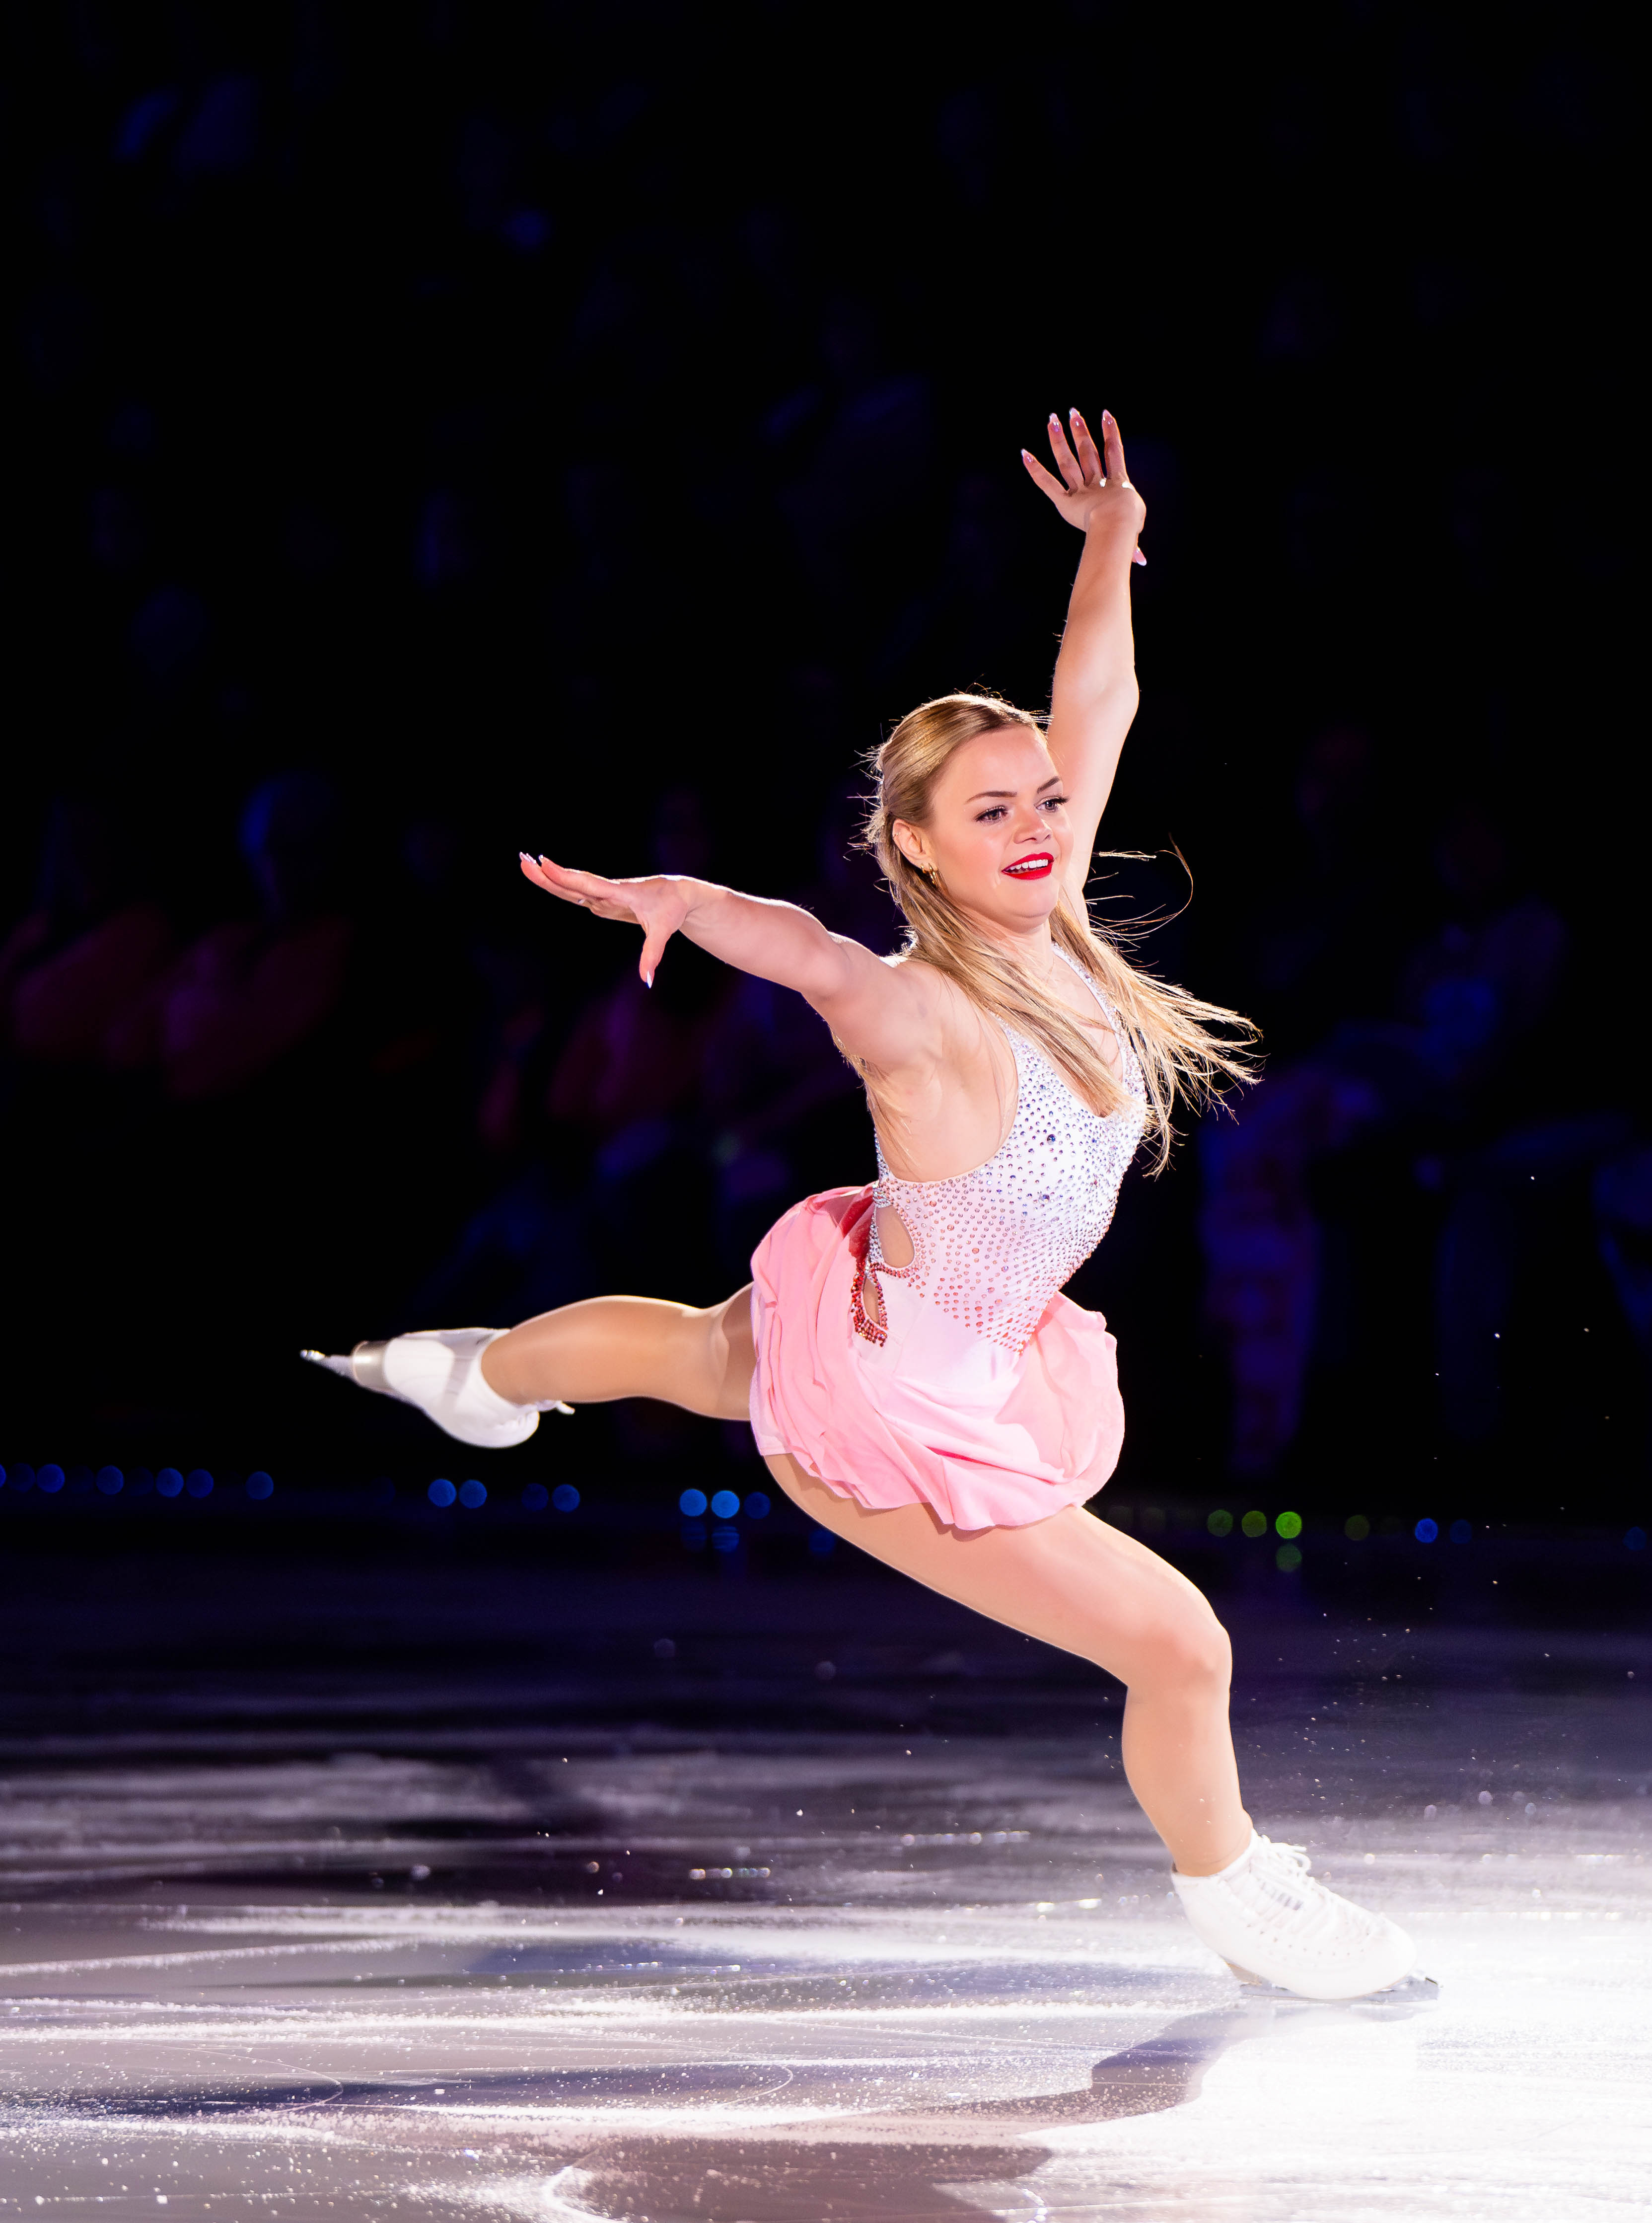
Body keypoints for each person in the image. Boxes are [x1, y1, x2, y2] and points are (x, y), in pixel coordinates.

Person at [308, 409, 1430, 2004]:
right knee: (1184, 1645)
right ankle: (1240, 1895)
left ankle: (465, 1373)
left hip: (943, 1332)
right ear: (915, 846)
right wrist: (689, 901)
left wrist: (1113, 543)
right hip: (904, 1411)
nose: (1039, 828)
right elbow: (808, 952)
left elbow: (1097, 698)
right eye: (993, 814)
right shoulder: (914, 1008)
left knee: (699, 1353)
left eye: (1043, 802)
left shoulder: (1051, 917)